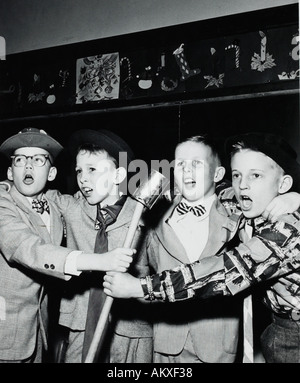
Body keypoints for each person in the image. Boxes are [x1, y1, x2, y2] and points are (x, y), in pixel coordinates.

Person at [104, 132, 300, 363]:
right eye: (237, 175)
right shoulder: (240, 200)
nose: (243, 185)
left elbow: (227, 270)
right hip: (279, 326)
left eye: (256, 175)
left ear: (284, 183)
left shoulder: (289, 230)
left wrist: (141, 287)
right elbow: (216, 190)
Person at [0, 127, 134, 363]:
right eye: (20, 160)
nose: (28, 166)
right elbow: (27, 248)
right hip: (6, 333)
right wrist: (100, 261)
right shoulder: (3, 201)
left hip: (37, 333)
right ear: (10, 172)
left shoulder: (56, 205)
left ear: (52, 173)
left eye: (38, 159)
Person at [45, 129, 154, 363]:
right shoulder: (73, 208)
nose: (83, 178)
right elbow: (36, 196)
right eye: (79, 171)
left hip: (130, 331)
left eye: (92, 169)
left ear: (118, 175)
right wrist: (8, 186)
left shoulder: (143, 218)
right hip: (81, 326)